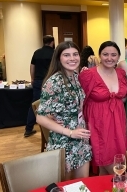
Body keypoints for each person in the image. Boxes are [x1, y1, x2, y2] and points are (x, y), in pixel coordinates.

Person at [36, 41, 92, 180]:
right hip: (64, 139)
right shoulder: (54, 81)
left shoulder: (74, 76)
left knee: (81, 185)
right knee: (65, 186)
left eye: (75, 54)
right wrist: (70, 132)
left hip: (80, 137)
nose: (72, 58)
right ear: (59, 58)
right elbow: (40, 117)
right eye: (66, 55)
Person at [79, 41, 127, 175]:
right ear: (99, 55)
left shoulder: (121, 73)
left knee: (108, 166)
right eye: (105, 54)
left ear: (118, 56)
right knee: (114, 168)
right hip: (99, 124)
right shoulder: (88, 74)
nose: (109, 58)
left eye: (114, 55)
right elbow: (79, 101)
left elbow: (123, 97)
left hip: (118, 123)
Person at [24, 35, 55, 137]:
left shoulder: (37, 52)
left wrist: (32, 78)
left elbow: (32, 66)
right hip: (50, 81)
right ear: (52, 42)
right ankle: (51, 128)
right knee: (52, 105)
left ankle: (28, 129)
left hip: (38, 81)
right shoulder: (54, 53)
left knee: (35, 104)